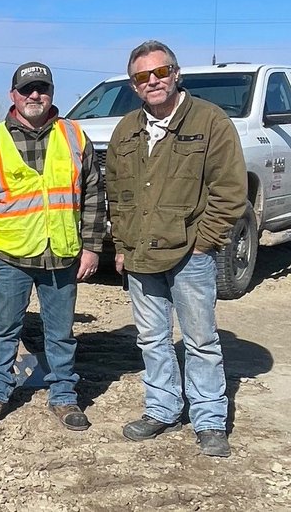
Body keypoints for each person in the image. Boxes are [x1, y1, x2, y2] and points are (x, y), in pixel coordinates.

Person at [106, 40, 245, 457]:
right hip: (140, 254)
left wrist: (203, 243)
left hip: (190, 255)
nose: (153, 81)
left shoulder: (210, 120)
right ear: (134, 85)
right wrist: (122, 245)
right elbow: (117, 193)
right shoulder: (125, 129)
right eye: (142, 76)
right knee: (152, 339)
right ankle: (162, 408)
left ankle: (209, 419)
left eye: (160, 72)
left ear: (176, 73)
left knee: (200, 340)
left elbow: (229, 191)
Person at [0, 62, 105, 430]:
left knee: (60, 333)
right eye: (27, 89)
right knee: (5, 329)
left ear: (52, 93)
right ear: (13, 95)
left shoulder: (75, 136)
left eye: (42, 88)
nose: (35, 95)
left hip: (61, 254)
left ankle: (64, 397)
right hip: (9, 256)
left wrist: (92, 247)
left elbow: (93, 194)